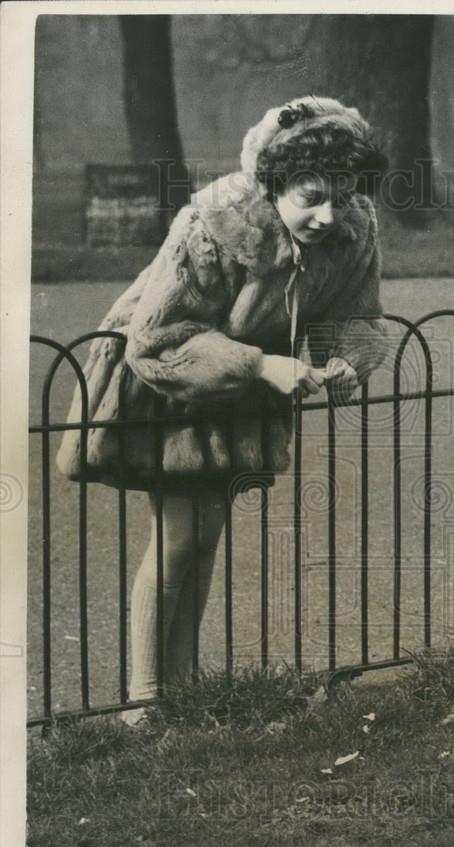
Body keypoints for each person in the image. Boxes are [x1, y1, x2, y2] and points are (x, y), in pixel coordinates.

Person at [56, 96, 389, 724]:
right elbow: (156, 340)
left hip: (241, 389)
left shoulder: (353, 228)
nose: (327, 215)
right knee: (178, 539)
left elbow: (358, 315)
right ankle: (144, 700)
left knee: (203, 538)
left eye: (342, 197)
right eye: (311, 196)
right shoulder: (216, 222)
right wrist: (260, 365)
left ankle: (179, 690)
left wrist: (347, 358)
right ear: (274, 182)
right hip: (166, 384)